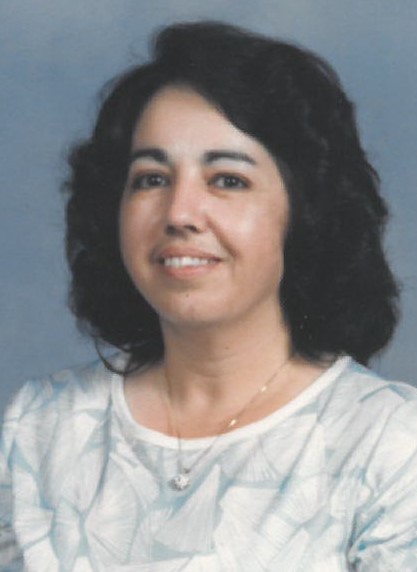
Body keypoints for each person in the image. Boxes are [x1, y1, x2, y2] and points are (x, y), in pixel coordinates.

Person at [1, 21, 416, 571]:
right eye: (151, 179)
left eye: (227, 180)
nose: (179, 213)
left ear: (307, 212)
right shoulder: (38, 427)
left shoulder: (391, 443)